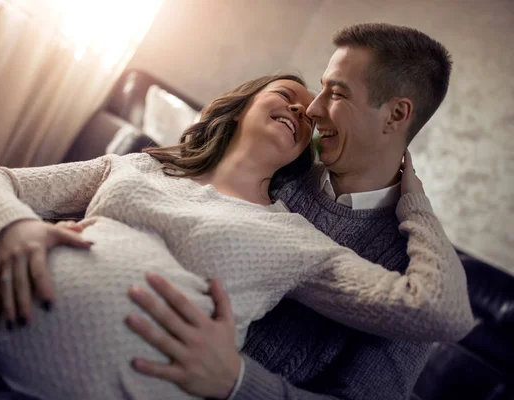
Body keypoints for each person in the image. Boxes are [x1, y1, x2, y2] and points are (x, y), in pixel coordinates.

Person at [0, 72, 471, 400]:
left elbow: (437, 311)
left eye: (311, 115)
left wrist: (413, 195)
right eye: (287, 94)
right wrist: (15, 229)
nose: (302, 111)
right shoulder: (141, 166)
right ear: (243, 103)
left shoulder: (298, 239)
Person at [120, 23, 463, 400]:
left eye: (337, 93)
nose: (313, 109)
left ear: (396, 115)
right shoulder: (280, 164)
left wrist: (238, 383)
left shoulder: (413, 270)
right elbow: (151, 189)